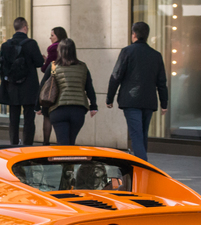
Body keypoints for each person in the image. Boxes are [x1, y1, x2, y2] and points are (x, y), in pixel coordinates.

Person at [106, 22, 168, 161]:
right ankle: (142, 164)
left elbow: (116, 75)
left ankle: (143, 166)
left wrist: (109, 98)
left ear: (134, 34)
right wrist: (164, 103)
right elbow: (162, 82)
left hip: (131, 100)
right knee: (142, 134)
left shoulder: (127, 51)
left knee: (136, 134)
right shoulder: (156, 55)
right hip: (149, 101)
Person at [35, 39, 97, 146]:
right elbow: (89, 88)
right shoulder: (83, 67)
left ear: (60, 51)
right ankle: (69, 162)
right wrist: (93, 106)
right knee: (70, 142)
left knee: (62, 143)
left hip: (58, 110)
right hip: (78, 110)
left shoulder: (53, 66)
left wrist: (37, 106)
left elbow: (42, 87)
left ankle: (64, 162)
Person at [0, 17, 44, 146]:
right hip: (29, 86)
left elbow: (2, 66)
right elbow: (39, 62)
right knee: (29, 118)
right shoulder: (31, 43)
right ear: (25, 27)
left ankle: (14, 144)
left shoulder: (5, 45)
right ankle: (27, 145)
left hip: (12, 86)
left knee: (14, 118)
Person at [40, 26, 67, 145]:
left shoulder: (53, 48)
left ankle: (46, 142)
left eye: (52, 35)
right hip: (64, 84)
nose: (50, 38)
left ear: (58, 36)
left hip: (53, 85)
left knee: (47, 115)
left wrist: (45, 62)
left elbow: (47, 68)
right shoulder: (67, 47)